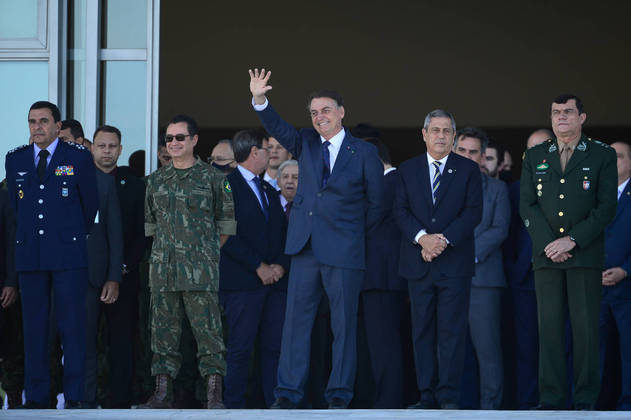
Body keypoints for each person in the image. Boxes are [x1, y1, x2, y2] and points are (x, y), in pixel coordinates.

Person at [249, 68, 384, 409]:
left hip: (345, 250)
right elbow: (277, 128)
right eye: (313, 112)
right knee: (295, 326)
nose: (319, 116)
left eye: (325, 110)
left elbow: (377, 204)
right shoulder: (305, 141)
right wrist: (260, 99)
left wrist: (352, 235)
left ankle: (339, 395)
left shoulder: (364, 153)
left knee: (344, 327)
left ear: (341, 112)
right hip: (305, 247)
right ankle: (288, 394)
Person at [520, 94, 617, 410]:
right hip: (546, 257)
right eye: (555, 112)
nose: (561, 117)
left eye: (568, 112)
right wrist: (551, 244)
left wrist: (571, 240)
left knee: (585, 330)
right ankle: (551, 397)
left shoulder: (602, 155)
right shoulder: (535, 155)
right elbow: (527, 205)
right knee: (548, 329)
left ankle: (586, 398)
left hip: (584, 256)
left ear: (582, 118)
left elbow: (606, 208)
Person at [4, 101, 98, 409]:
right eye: (32, 121)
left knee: (71, 326)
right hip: (31, 255)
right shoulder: (15, 158)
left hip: (68, 255)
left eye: (44, 121)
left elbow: (89, 206)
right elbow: (18, 209)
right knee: (34, 328)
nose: (37, 127)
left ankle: (75, 395)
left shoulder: (78, 157)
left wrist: (67, 235)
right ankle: (37, 396)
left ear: (58, 126)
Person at [141, 114, 236, 409]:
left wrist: (204, 253)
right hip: (163, 272)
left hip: (200, 273)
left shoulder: (215, 179)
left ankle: (213, 395)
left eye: (179, 137)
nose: (173, 143)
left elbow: (227, 226)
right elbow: (151, 226)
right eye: (169, 139)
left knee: (209, 335)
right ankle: (161, 394)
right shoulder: (155, 180)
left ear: (194, 140)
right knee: (162, 335)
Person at [394, 109, 482, 410]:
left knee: (452, 333)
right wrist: (423, 238)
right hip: (418, 263)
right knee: (421, 332)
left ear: (454, 136)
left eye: (446, 131)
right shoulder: (406, 170)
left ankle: (448, 397)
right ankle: (426, 395)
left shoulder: (469, 170)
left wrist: (441, 240)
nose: (441, 136)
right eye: (435, 130)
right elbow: (400, 211)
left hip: (454, 265)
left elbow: (473, 212)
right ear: (424, 134)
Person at [219, 129, 290, 408]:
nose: (272, 153)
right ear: (253, 152)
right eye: (266, 148)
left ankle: (271, 404)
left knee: (273, 348)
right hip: (241, 284)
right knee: (240, 348)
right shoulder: (227, 186)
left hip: (273, 285)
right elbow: (226, 235)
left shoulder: (268, 190)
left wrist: (280, 266)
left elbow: (282, 234)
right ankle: (234, 405)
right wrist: (258, 266)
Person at [454, 127, 510, 409]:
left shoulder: (497, 188)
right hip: (446, 280)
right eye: (461, 150)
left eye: (473, 151)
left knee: (488, 351)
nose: (466, 156)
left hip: (483, 280)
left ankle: (491, 410)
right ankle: (450, 409)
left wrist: (464, 254)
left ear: (482, 157)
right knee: (449, 350)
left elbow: (499, 230)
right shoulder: (439, 186)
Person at [91, 124, 147, 408]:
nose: (107, 151)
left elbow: (142, 234)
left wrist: (122, 267)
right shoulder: (78, 181)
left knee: (122, 342)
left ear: (120, 150)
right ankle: (83, 399)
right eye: (101, 145)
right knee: (84, 341)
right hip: (84, 279)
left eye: (112, 146)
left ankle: (120, 401)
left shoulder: (135, 185)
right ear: (92, 147)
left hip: (123, 278)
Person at [503, 128, 551, 409]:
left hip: (560, 276)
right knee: (526, 347)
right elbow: (508, 236)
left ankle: (560, 404)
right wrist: (513, 268)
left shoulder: (571, 188)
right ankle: (526, 406)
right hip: (524, 279)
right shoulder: (515, 189)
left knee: (560, 344)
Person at [361, 137, 407, 408]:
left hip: (382, 276)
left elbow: (367, 222)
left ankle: (387, 403)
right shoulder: (396, 181)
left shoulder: (389, 183)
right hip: (386, 276)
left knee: (383, 343)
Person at [599, 141, 631, 410]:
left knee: (628, 353)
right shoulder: (592, 194)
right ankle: (593, 406)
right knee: (595, 354)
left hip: (627, 289)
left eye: (618, 156)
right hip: (595, 287)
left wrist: (626, 269)